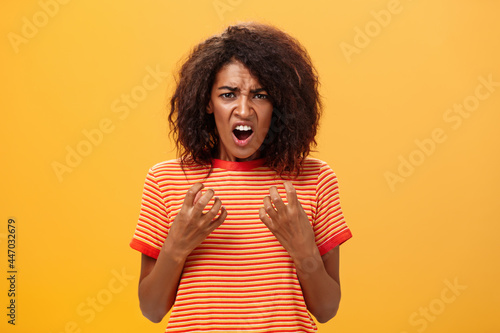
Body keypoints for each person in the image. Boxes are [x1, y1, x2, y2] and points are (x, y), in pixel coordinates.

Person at [130, 22, 353, 332]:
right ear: (208, 102)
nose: (244, 110)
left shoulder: (315, 179)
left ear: (278, 105)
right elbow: (152, 309)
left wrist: (302, 246)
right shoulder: (166, 180)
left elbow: (327, 309)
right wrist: (177, 244)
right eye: (228, 94)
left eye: (260, 95)